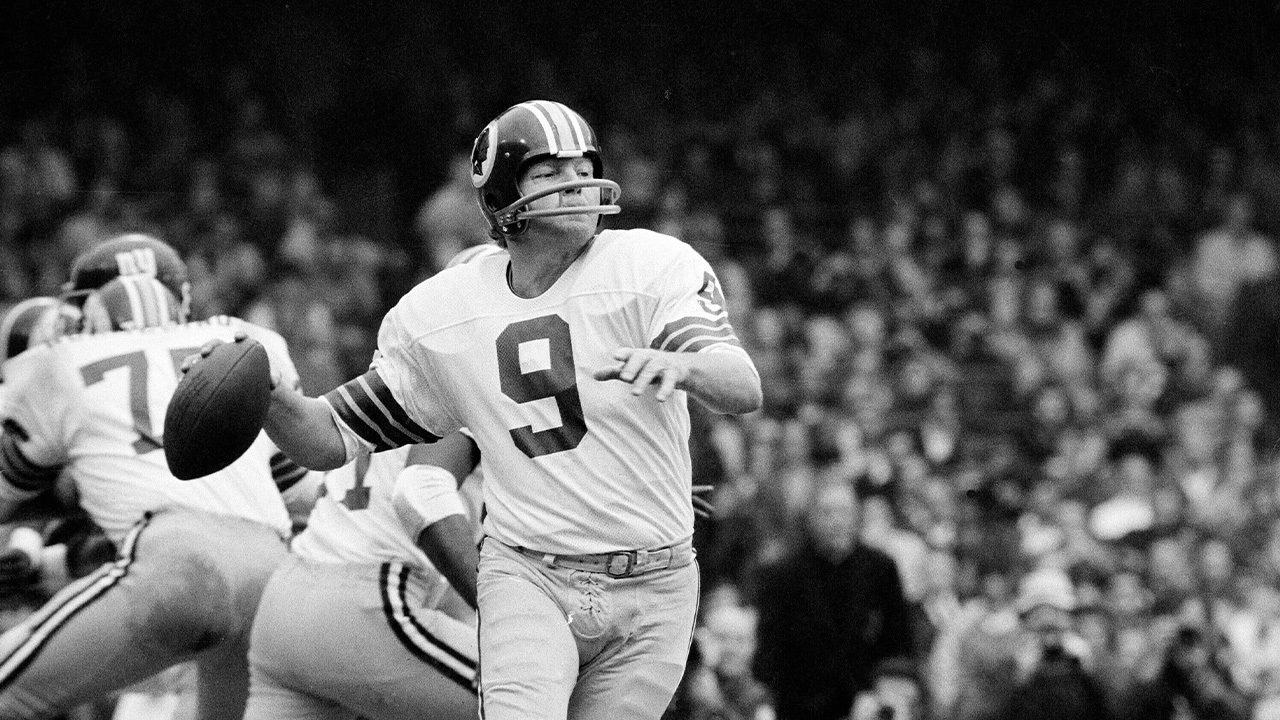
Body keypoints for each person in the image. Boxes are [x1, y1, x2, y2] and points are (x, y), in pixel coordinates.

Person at [212, 99, 762, 720]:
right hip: (528, 574)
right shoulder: (447, 314)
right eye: (552, 173)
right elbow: (328, 438)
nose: (578, 181)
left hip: (655, 581)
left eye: (585, 165)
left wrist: (686, 366)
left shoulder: (649, 264)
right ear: (503, 197)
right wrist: (270, 399)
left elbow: (742, 385)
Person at [0, 233, 313, 720]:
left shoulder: (58, 362)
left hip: (177, 566)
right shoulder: (248, 341)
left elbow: (11, 488)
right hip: (275, 576)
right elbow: (306, 492)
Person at [242, 432, 482, 720]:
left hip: (286, 599)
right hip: (367, 603)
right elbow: (421, 491)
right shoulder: (469, 390)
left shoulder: (380, 389)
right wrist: (503, 618)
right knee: (535, 692)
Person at [753, 475, 914, 720]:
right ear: (810, 519)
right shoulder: (783, 576)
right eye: (826, 513)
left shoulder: (881, 569)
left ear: (857, 517)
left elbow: (898, 642)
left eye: (843, 512)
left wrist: (877, 693)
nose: (836, 522)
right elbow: (771, 652)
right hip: (801, 708)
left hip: (868, 705)